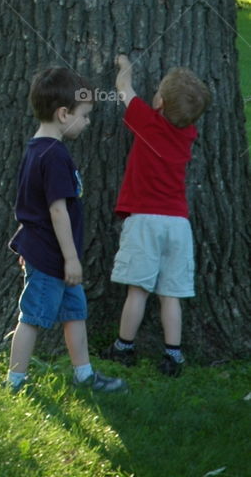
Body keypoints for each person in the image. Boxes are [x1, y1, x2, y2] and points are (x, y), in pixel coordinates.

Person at [7, 65, 125, 393]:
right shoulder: (54, 155)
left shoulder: (36, 149)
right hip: (52, 258)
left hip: (49, 253)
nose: (87, 123)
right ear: (63, 114)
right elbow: (56, 211)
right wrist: (71, 259)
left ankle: (84, 374)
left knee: (75, 313)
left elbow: (29, 205)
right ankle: (15, 380)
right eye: (84, 116)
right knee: (32, 317)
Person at [104, 53, 211, 377]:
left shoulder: (147, 122)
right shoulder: (188, 133)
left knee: (138, 290)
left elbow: (124, 87)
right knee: (171, 294)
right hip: (178, 224)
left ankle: (123, 347)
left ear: (160, 102)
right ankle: (173, 355)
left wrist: (125, 65)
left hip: (145, 220)